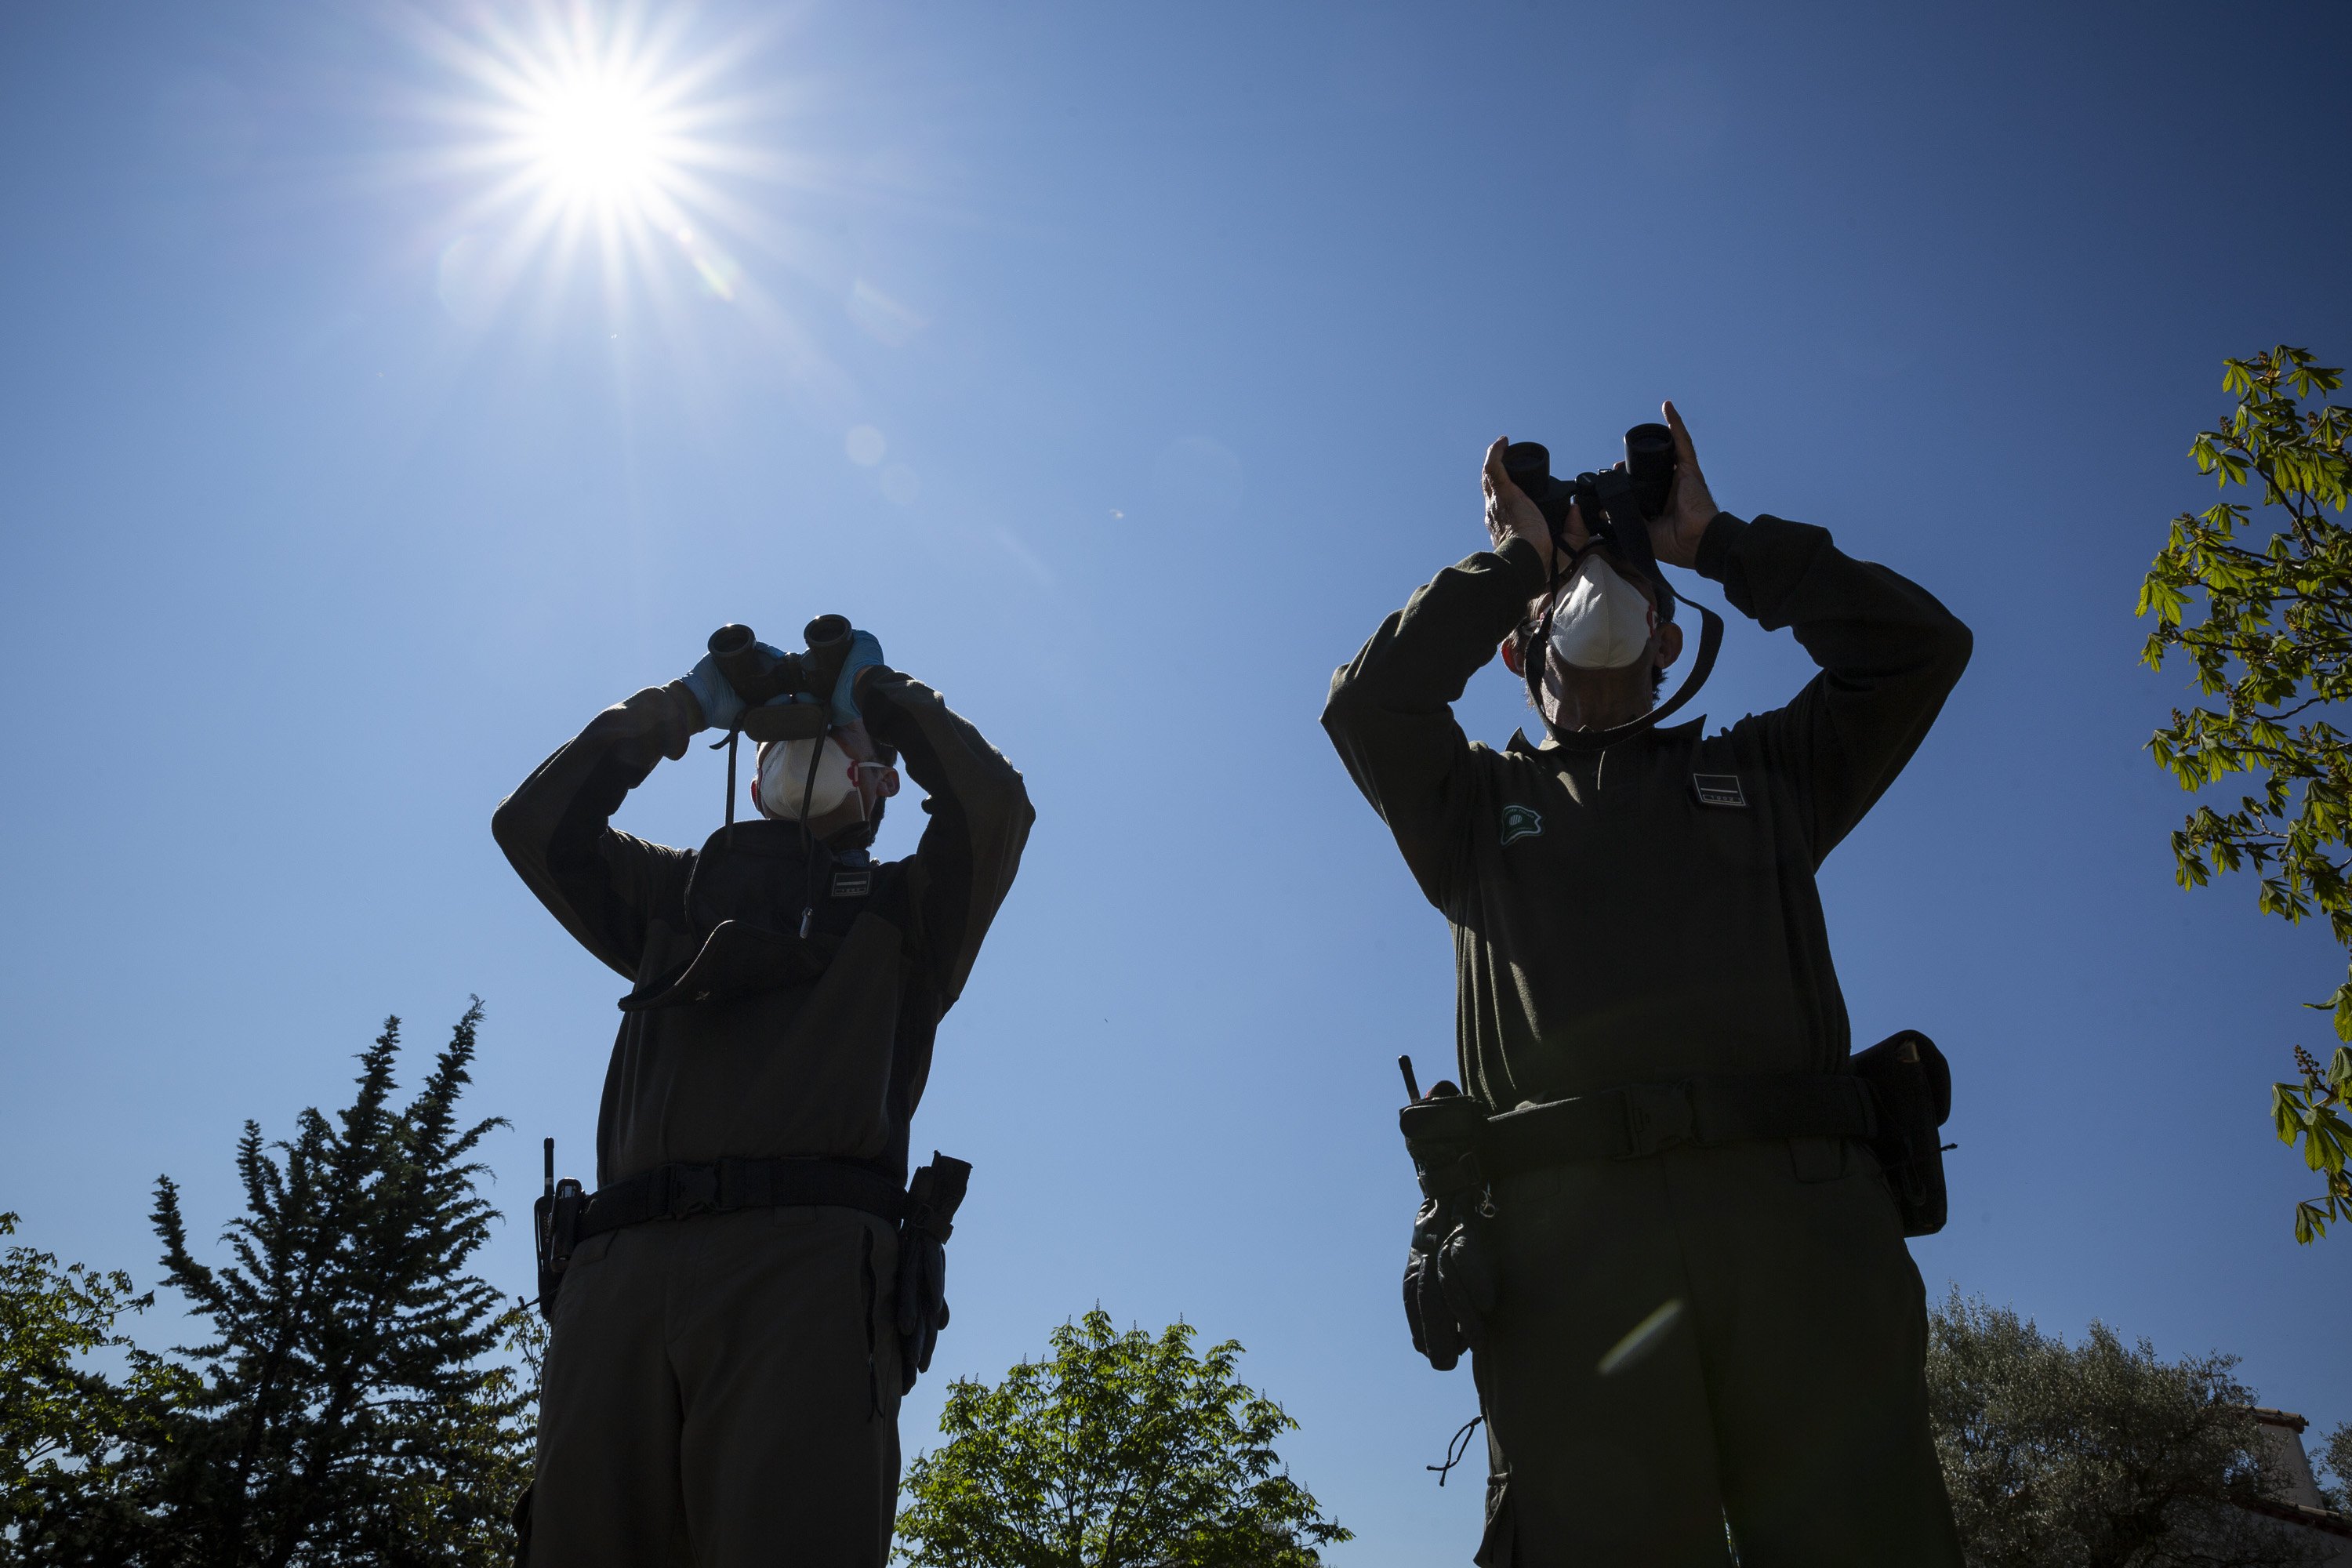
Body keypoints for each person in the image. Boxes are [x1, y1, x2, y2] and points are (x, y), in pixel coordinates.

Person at [1322, 404, 1971, 1566]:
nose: (1602, 598)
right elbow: (1369, 706)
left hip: (1802, 1231)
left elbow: (1919, 649)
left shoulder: (1767, 773)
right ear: (1516, 652)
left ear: (1673, 642)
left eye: (1634, 592)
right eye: (1567, 592)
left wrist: (1714, 542)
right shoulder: (1467, 811)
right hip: (1573, 1258)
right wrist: (1516, 560)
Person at [492, 623, 1032, 1567]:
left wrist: (884, 696)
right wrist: (678, 711)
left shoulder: (910, 909)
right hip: (616, 1280)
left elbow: (993, 809)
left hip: (802, 1282)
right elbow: (534, 827)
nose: (811, 740)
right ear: (750, 774)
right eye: (787, 731)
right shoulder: (676, 894)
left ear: (883, 785)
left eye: (840, 736)